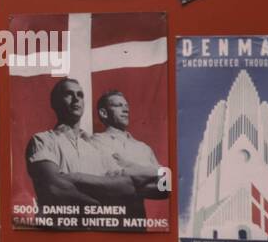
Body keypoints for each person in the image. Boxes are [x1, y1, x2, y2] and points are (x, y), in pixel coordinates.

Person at [26, 77, 151, 214]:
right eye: (69, 94)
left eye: (80, 95)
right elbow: (54, 188)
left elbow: (127, 186)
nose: (76, 99)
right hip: (57, 230)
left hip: (92, 232)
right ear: (55, 103)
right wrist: (100, 205)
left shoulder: (94, 146)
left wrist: (76, 178)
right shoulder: (43, 140)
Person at [90, 90, 169, 220]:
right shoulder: (94, 143)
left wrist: (130, 169)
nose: (125, 110)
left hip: (137, 227)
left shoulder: (143, 148)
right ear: (103, 113)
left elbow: (166, 187)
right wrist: (151, 174)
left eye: (126, 106)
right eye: (118, 105)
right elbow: (100, 183)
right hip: (106, 224)